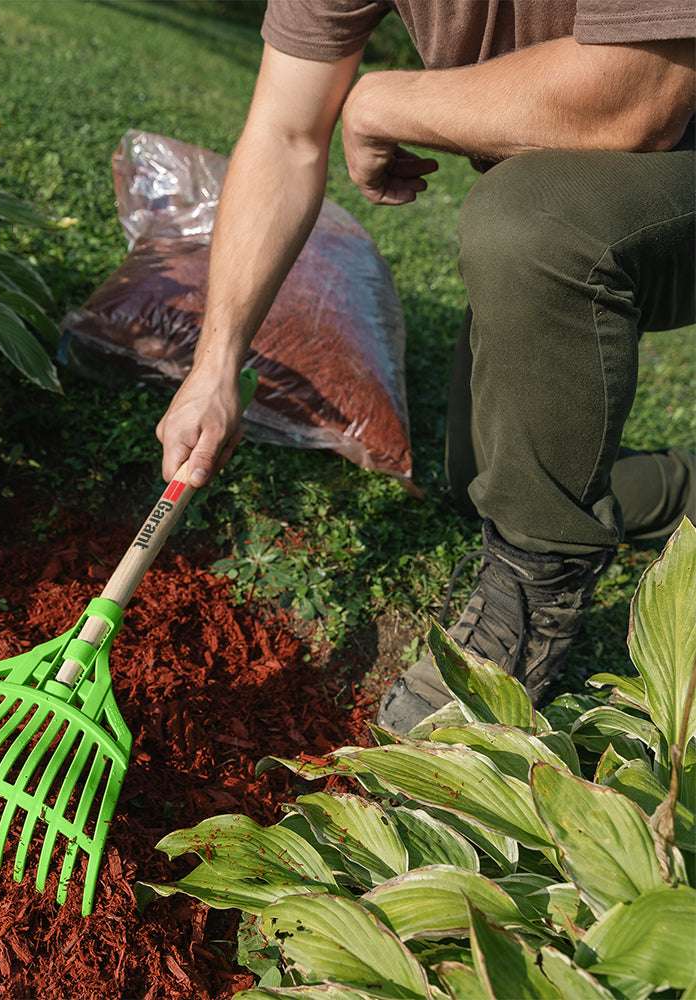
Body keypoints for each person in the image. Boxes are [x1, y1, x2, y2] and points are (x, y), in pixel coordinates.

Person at [154, 0, 696, 732]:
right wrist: (214, 365)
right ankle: (681, 493)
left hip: (649, 157)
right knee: (486, 474)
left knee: (529, 225)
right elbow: (285, 131)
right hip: (599, 179)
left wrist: (381, 99)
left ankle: (529, 606)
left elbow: (633, 98)